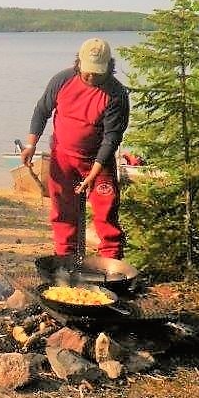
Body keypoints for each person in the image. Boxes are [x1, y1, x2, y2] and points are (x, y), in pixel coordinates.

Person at [19, 37, 130, 259]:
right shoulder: (62, 80)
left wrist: (94, 173)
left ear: (109, 66)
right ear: (78, 63)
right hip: (63, 157)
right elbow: (42, 110)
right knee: (63, 211)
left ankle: (110, 265)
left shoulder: (116, 94)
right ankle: (65, 260)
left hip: (99, 161)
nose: (91, 76)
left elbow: (111, 138)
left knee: (105, 214)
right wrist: (31, 144)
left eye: (98, 72)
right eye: (88, 71)